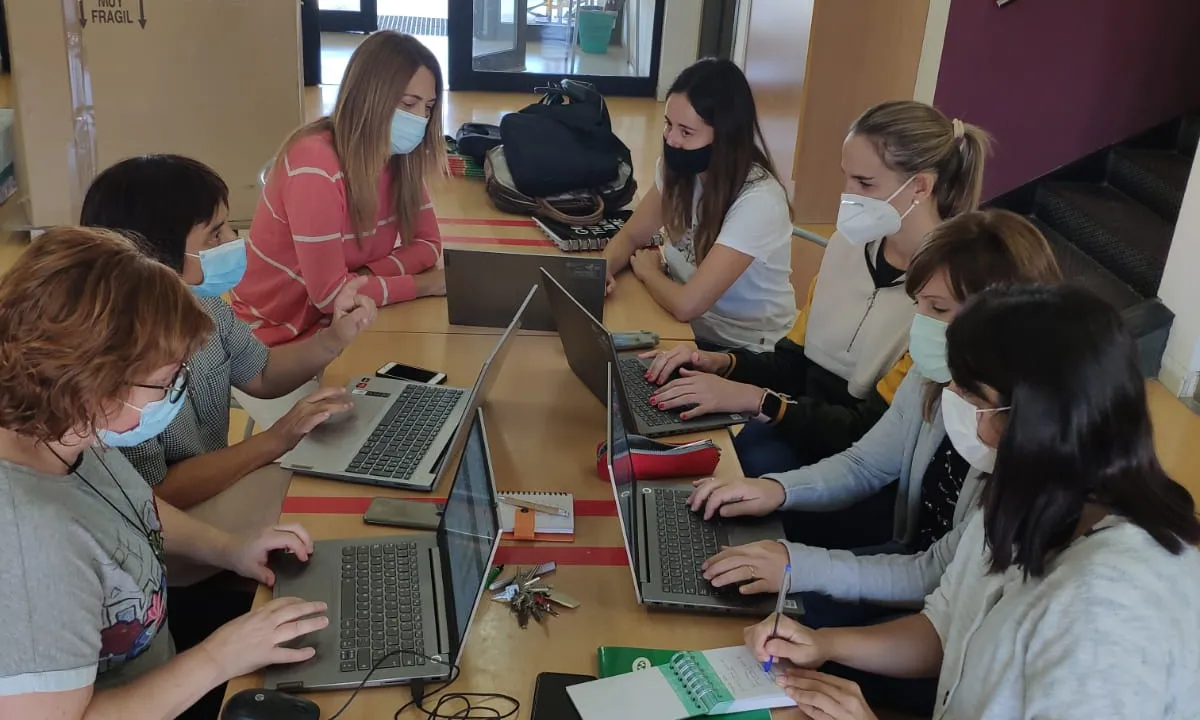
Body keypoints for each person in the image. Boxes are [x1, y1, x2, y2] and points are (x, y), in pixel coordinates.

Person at [744, 284, 1200, 720]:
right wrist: (825, 644)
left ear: (1036, 420)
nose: (949, 404)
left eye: (970, 395)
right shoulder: (1022, 495)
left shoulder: (1108, 609)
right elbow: (946, 626)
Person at [689, 211, 1061, 715]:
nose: (922, 325)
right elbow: (867, 463)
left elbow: (935, 580)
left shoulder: (1022, 441)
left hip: (923, 607)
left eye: (937, 308)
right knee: (769, 602)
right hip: (921, 602)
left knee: (779, 629)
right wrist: (776, 490)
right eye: (921, 306)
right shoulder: (938, 375)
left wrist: (801, 567)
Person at [0, 227, 328, 718]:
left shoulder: (63, 428)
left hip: (169, 656)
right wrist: (219, 657)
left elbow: (133, 507)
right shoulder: (28, 546)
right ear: (95, 385)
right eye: (164, 380)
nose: (176, 390)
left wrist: (230, 549)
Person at [643, 100, 992, 478]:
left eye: (864, 183)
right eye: (847, 177)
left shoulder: (942, 299)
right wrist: (724, 363)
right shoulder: (846, 247)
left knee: (745, 462)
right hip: (802, 423)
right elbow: (794, 362)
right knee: (718, 448)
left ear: (920, 187)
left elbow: (869, 433)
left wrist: (756, 400)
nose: (847, 196)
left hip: (860, 460)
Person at [80, 155, 374, 535]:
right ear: (155, 255)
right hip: (166, 527)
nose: (234, 242)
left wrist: (335, 337)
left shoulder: (204, 306)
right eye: (215, 235)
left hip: (219, 487)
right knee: (325, 517)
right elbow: (157, 493)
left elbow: (263, 373)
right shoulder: (119, 360)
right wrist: (276, 440)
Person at [232, 31, 446, 346]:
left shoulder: (397, 157)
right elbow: (331, 296)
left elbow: (428, 245)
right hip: (273, 341)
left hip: (336, 323)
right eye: (408, 104)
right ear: (368, 95)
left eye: (428, 108)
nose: (421, 120)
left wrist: (363, 277)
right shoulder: (315, 164)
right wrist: (424, 285)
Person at [601, 58, 796, 353]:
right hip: (684, 329)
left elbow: (687, 304)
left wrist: (647, 271)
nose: (672, 139)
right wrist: (600, 270)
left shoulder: (759, 201)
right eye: (668, 124)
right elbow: (631, 236)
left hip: (743, 350)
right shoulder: (679, 168)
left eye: (686, 132)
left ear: (725, 136)